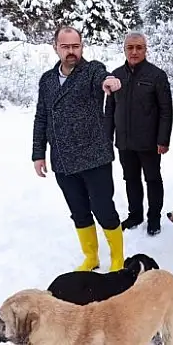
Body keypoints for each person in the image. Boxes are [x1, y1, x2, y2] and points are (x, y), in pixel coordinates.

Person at [31, 26, 125, 272]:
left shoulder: (91, 70)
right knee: (79, 211)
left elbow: (103, 76)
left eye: (75, 46)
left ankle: (117, 259)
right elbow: (42, 117)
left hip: (95, 157)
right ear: (55, 48)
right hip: (63, 161)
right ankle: (91, 257)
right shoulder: (47, 80)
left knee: (104, 209)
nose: (71, 52)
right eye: (65, 47)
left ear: (82, 47)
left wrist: (110, 81)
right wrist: (38, 153)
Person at [105, 31, 173, 236]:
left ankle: (154, 218)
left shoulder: (156, 76)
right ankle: (135, 214)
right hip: (124, 141)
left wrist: (163, 139)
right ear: (124, 49)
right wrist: (107, 137)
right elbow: (110, 110)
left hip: (149, 142)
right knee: (130, 179)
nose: (134, 52)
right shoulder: (115, 76)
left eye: (139, 47)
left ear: (145, 49)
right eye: (130, 47)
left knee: (152, 179)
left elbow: (166, 110)